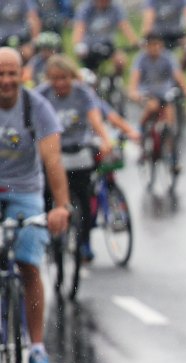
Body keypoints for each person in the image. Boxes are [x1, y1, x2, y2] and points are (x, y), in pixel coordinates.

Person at [0, 47, 70, 363]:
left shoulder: (36, 108)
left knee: (29, 265)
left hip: (25, 192)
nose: (6, 80)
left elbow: (52, 160)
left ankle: (37, 347)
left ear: (23, 75)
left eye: (12, 73)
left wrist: (61, 207)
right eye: (0, 73)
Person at [37, 54, 113, 262]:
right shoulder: (41, 95)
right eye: (55, 79)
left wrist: (105, 139)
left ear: (72, 77)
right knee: (46, 195)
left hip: (79, 151)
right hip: (53, 153)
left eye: (64, 78)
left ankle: (85, 242)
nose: (60, 83)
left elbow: (95, 119)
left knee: (84, 197)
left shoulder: (82, 93)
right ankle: (47, 238)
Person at [128, 32, 186, 173]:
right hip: (147, 93)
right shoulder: (141, 59)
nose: (155, 48)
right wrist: (133, 91)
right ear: (146, 46)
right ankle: (142, 139)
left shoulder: (168, 57)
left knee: (169, 122)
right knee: (152, 108)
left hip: (164, 92)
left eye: (158, 45)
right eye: (151, 45)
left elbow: (177, 74)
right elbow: (135, 78)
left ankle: (173, 159)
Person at [71, 0, 138, 75]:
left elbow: (124, 25)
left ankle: (115, 79)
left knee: (120, 61)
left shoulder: (116, 7)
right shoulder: (85, 8)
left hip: (108, 44)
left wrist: (134, 42)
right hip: (89, 46)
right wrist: (77, 45)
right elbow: (79, 27)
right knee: (90, 72)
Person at [140, 0, 186, 72]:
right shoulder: (152, 1)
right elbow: (148, 19)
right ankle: (165, 72)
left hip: (177, 33)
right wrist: (146, 37)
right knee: (156, 54)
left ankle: (179, 72)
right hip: (159, 35)